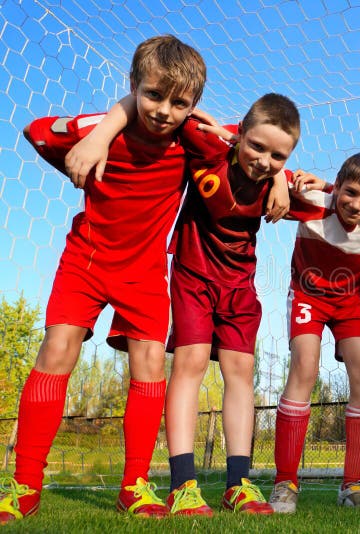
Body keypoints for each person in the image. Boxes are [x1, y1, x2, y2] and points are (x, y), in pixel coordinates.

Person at [0, 35, 207, 523]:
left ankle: (134, 485)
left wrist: (202, 123)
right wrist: (98, 136)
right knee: (57, 348)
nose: (163, 111)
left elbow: (247, 141)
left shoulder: (191, 140)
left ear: (194, 107)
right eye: (154, 95)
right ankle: (24, 485)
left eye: (180, 103)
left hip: (145, 270)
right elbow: (36, 130)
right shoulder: (100, 131)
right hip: (87, 260)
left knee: (151, 361)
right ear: (133, 86)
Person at [62, 93, 297, 516]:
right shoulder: (207, 146)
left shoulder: (279, 182)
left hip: (240, 287)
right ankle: (183, 485)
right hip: (193, 278)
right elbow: (156, 107)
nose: (263, 160)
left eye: (277, 155)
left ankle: (238, 485)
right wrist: (99, 137)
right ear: (239, 135)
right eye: (256, 147)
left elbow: (332, 201)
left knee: (241, 372)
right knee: (188, 365)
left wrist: (282, 180)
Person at [267, 153, 360, 513]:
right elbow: (271, 170)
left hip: (348, 304)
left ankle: (353, 484)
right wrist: (294, 180)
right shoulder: (314, 203)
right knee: (305, 366)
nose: (356, 204)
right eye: (349, 193)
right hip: (308, 295)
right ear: (337, 189)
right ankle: (285, 483)